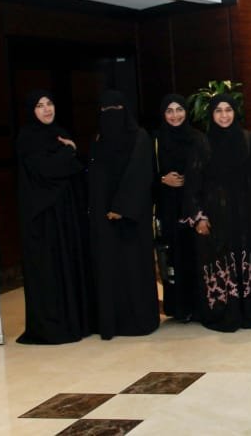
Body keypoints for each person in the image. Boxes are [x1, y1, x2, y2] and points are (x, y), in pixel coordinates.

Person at [15, 89, 89, 344]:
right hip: (43, 219)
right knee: (49, 270)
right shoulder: (27, 138)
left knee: (67, 265)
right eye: (39, 105)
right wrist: (68, 152)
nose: (46, 109)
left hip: (65, 216)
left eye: (49, 103)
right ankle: (52, 326)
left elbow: (76, 169)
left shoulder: (60, 133)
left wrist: (70, 154)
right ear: (31, 110)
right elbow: (47, 170)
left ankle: (75, 321)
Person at [186, 94, 251, 332]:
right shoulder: (203, 144)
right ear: (211, 114)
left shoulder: (247, 139)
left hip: (246, 214)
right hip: (217, 216)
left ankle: (249, 311)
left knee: (246, 258)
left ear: (235, 112)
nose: (224, 115)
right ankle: (223, 312)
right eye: (218, 110)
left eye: (228, 109)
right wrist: (199, 216)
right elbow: (193, 184)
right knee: (220, 259)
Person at [88, 89, 160, 339]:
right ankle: (112, 322)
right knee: (110, 270)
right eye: (105, 110)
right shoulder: (98, 140)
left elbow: (140, 174)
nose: (111, 115)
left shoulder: (139, 137)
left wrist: (121, 207)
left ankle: (138, 320)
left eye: (116, 109)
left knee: (134, 268)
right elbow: (94, 177)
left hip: (132, 219)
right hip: (104, 219)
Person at [152, 94, 205, 323]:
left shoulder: (198, 139)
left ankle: (199, 306)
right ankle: (178, 307)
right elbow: (145, 174)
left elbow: (206, 171)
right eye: (169, 111)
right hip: (168, 207)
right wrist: (163, 180)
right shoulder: (155, 140)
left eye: (179, 109)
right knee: (174, 256)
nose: (175, 115)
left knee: (195, 254)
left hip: (192, 206)